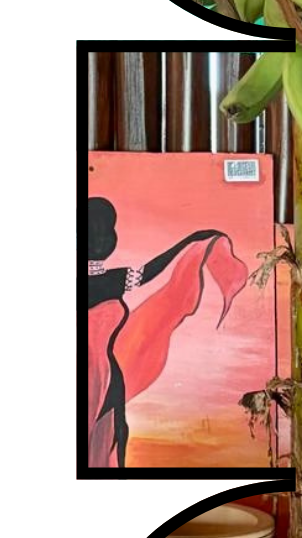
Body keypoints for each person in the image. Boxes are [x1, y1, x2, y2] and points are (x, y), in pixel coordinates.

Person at [84, 196, 248, 467]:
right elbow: (151, 271)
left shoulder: (114, 280)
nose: (100, 240)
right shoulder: (113, 281)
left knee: (114, 434)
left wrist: (190, 241)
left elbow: (152, 270)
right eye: (96, 233)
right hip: (96, 376)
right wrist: (190, 241)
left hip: (108, 377)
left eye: (102, 232)